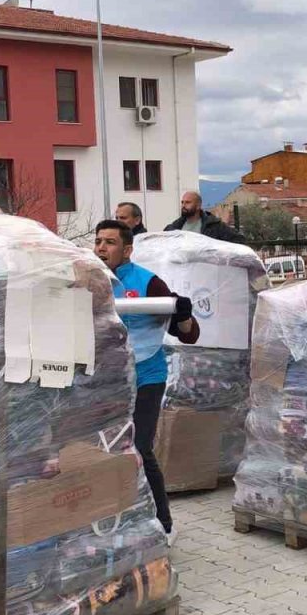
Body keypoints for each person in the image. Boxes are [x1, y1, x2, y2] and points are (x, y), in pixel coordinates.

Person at [94, 220, 199, 542]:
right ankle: (117, 518)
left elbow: (190, 334)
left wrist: (182, 314)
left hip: (145, 377)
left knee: (139, 448)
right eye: (98, 241)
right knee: (102, 451)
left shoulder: (148, 284)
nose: (101, 248)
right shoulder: (88, 282)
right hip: (105, 380)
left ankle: (164, 524)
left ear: (127, 249)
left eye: (110, 242)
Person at [164, 190, 245, 243]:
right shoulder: (173, 228)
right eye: (182, 202)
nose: (183, 205)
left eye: (188, 202)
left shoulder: (214, 226)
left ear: (198, 206)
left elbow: (239, 240)